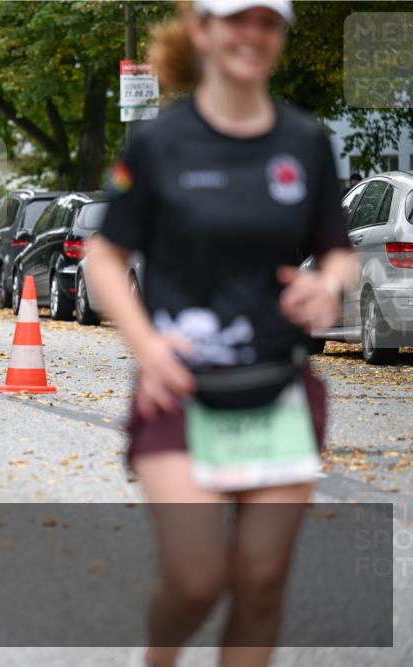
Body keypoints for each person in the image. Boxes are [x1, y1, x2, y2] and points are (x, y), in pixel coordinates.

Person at [85, 2, 357, 667]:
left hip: (276, 386)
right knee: (197, 578)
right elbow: (104, 257)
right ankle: (157, 656)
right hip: (180, 390)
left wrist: (328, 284)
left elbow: (338, 250)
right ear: (204, 30)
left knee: (261, 580)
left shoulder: (305, 141)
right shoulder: (158, 143)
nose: (253, 35)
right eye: (238, 19)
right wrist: (148, 347)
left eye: (268, 23)